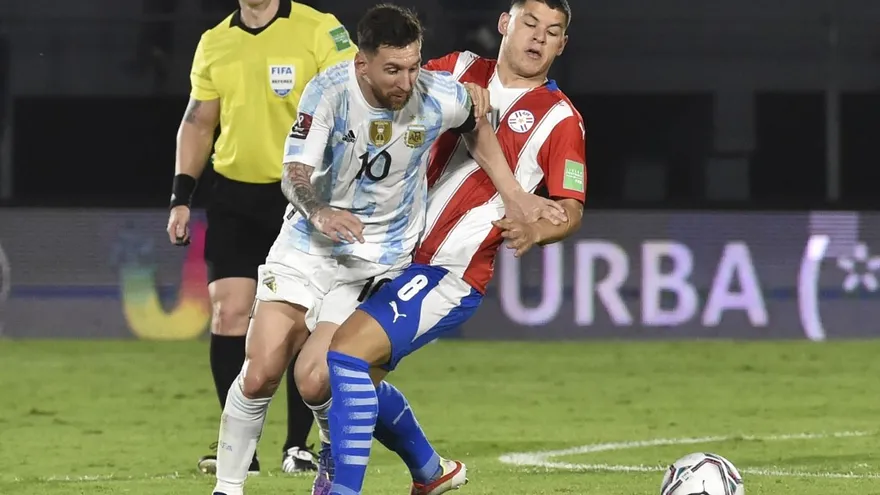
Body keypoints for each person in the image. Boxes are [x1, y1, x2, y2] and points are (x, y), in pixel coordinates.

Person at [209, 4, 565, 495]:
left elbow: (476, 125)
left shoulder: (436, 94)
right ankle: (227, 489)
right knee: (262, 373)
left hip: (377, 260)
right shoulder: (329, 91)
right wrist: (321, 212)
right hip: (307, 245)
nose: (405, 81)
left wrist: (515, 194)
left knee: (318, 379)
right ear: (363, 64)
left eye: (415, 66)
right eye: (393, 69)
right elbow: (295, 173)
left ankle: (337, 469)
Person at [320, 1, 583, 494]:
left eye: (551, 32)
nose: (537, 38)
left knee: (348, 356)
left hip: (451, 269)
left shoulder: (561, 119)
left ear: (561, 45)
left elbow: (570, 209)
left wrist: (538, 230)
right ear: (506, 24)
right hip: (390, 249)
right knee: (334, 378)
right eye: (529, 24)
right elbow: (396, 91)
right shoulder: (458, 68)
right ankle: (432, 473)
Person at [164, 0, 358, 475]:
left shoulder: (319, 30)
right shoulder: (215, 42)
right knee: (229, 311)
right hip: (233, 194)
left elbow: (354, 98)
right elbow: (199, 121)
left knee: (298, 322)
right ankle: (240, 448)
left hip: (304, 197)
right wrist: (180, 195)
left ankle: (299, 445)